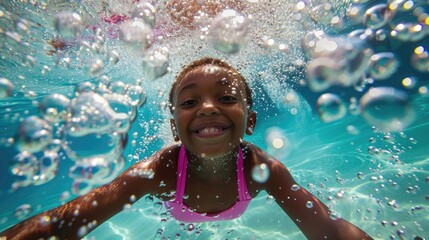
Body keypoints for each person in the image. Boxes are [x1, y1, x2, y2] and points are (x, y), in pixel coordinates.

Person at [0, 57, 373, 240]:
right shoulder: (158, 172)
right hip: (168, 198)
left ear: (252, 121)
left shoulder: (262, 170)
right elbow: (66, 221)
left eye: (225, 97)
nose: (208, 107)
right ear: (175, 127)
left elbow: (327, 228)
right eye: (190, 103)